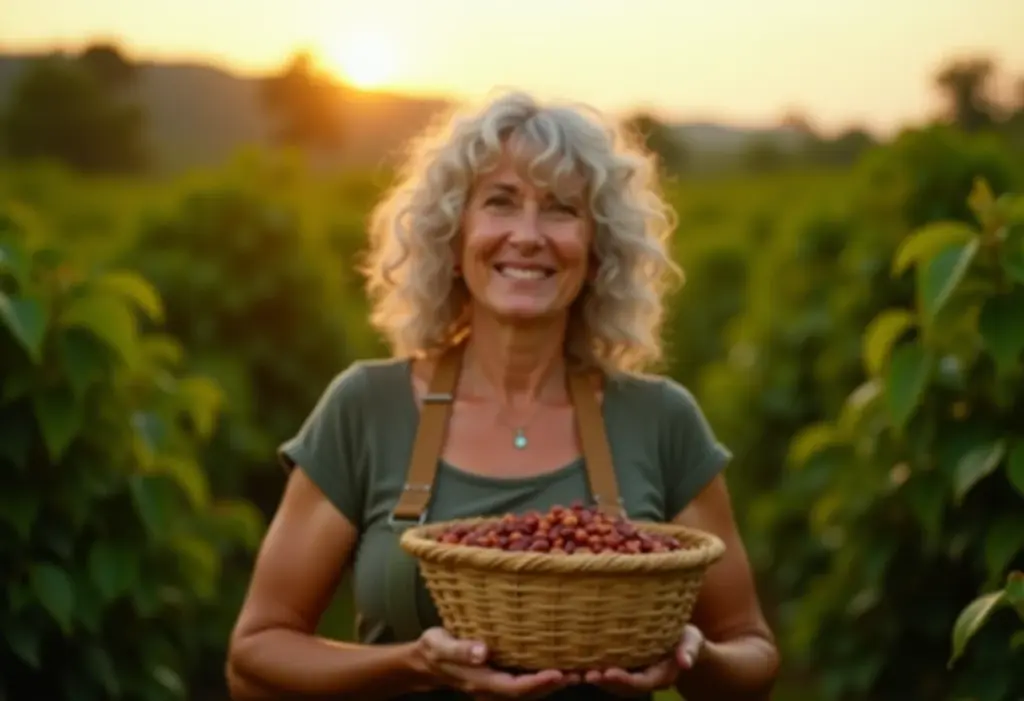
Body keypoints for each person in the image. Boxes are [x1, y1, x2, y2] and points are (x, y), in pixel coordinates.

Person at [226, 90, 779, 701]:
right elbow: (254, 658)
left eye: (562, 209)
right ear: (454, 238)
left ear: (597, 253)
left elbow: (753, 652)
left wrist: (693, 659)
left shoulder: (660, 419)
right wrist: (415, 665)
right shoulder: (367, 407)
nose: (527, 235)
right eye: (500, 202)